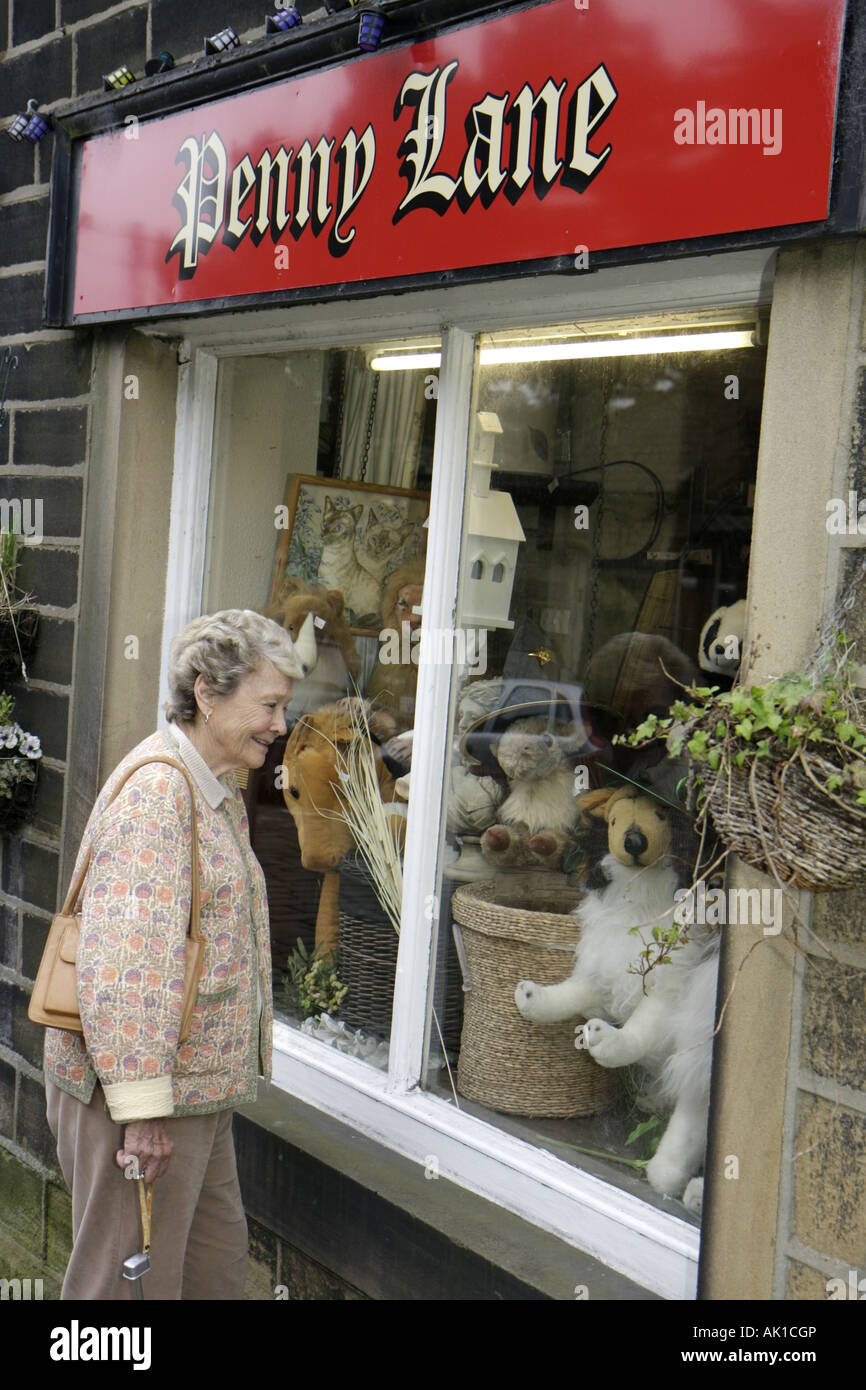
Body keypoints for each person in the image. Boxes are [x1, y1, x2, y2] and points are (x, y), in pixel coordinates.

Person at [44, 608, 314, 1300]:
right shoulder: (162, 793)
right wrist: (142, 1114)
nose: (281, 726)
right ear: (207, 692)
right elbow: (127, 965)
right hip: (142, 1099)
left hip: (197, 1092)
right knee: (122, 1293)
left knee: (209, 1274)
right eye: (271, 705)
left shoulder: (212, 788)